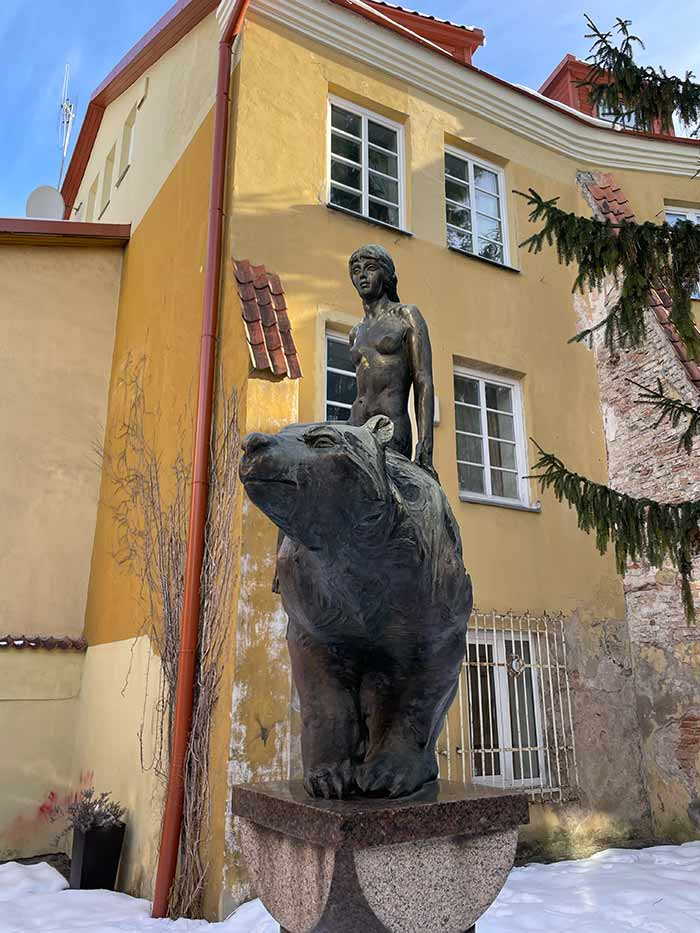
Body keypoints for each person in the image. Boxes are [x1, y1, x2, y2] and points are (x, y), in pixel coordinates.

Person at [346, 244, 436, 478]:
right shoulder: (356, 332)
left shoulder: (406, 316)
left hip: (390, 428)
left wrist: (425, 444)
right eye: (356, 270)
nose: (362, 275)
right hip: (356, 424)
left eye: (370, 268)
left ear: (385, 275)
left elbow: (423, 380)